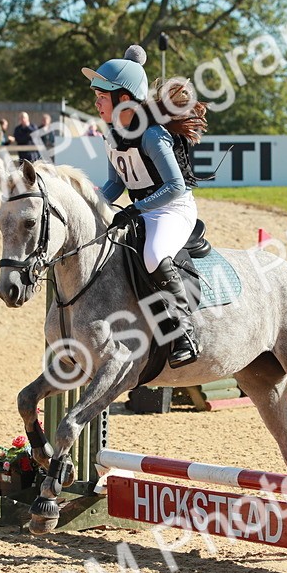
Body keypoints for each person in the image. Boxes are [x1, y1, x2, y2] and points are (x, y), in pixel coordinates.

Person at [83, 44, 207, 368]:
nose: (95, 103)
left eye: (101, 96)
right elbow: (115, 184)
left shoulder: (152, 135)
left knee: (152, 254)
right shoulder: (111, 134)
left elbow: (175, 186)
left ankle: (183, 332)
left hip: (173, 208)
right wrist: (93, 203)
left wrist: (135, 210)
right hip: (143, 209)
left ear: (123, 99)